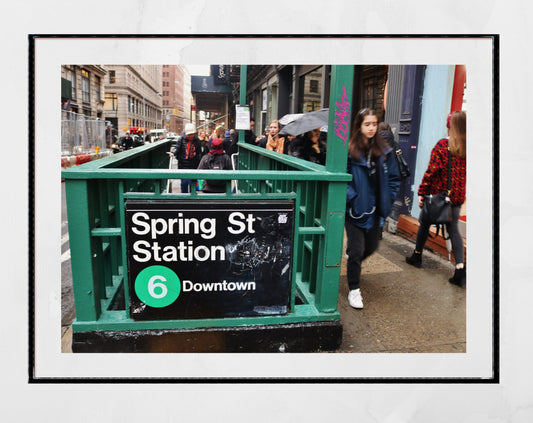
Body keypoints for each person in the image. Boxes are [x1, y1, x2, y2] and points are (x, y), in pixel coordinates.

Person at [345, 108, 401, 309]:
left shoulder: (385, 150)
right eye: (367, 124)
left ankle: (352, 258)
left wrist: (389, 198)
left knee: (372, 247)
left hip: (377, 209)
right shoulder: (350, 150)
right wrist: (353, 198)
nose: (371, 128)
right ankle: (354, 289)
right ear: (359, 126)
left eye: (374, 124)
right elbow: (344, 179)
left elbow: (394, 178)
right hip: (356, 210)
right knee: (358, 251)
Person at [405, 111, 467, 286]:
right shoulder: (468, 147)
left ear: (449, 126)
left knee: (424, 222)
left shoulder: (442, 146)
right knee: (453, 230)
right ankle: (460, 269)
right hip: (456, 197)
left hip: (438, 197)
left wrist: (422, 193)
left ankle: (417, 255)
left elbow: (431, 172)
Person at [167, 123, 201, 193]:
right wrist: (173, 153)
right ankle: (184, 197)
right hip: (183, 165)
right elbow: (177, 148)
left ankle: (192, 198)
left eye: (192, 134)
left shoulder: (197, 140)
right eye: (189, 134)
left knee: (192, 183)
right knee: (184, 183)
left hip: (193, 165)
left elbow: (199, 152)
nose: (191, 136)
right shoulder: (181, 139)